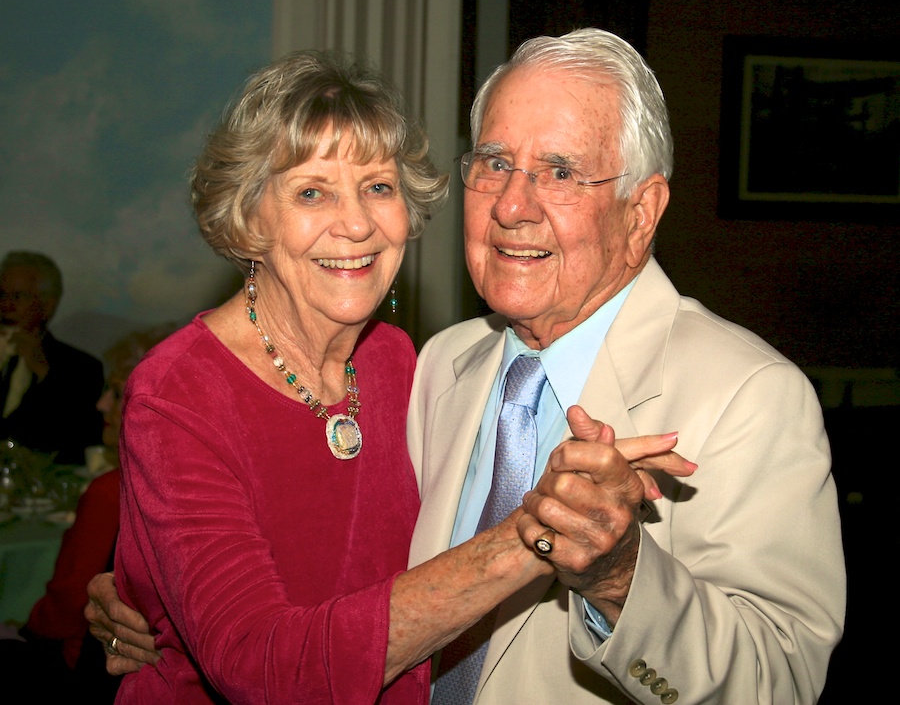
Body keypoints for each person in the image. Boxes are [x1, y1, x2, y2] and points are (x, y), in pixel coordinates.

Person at [83, 49, 694, 704]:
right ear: (248, 217)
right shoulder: (178, 394)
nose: (356, 224)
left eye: (378, 187)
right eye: (312, 191)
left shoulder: (400, 363)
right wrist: (540, 534)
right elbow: (259, 666)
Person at [404, 28, 845, 703]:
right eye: (494, 162)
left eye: (559, 173)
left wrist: (621, 580)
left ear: (641, 213)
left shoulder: (749, 396)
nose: (511, 206)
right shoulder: (442, 365)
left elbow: (777, 683)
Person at [0, 324, 173, 701]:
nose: (101, 405)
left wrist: (22, 627)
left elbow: (64, 609)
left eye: (114, 391)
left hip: (85, 675)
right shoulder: (189, 482)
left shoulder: (113, 490)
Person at [0, 250, 104, 465]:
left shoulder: (81, 368)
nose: (6, 306)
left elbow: (78, 441)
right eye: (1, 295)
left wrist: (45, 374)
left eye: (17, 297)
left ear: (47, 305)